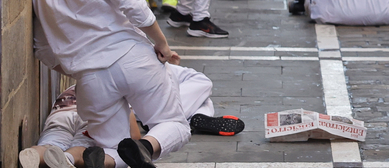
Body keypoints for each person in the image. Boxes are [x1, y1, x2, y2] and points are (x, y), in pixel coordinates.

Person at [34, 0, 191, 168]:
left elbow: (42, 48)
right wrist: (161, 43)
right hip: (131, 57)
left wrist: (77, 68)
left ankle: (101, 161)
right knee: (175, 124)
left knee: (110, 147)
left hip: (90, 78)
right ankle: (143, 147)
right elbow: (133, 4)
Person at [19, 63, 244, 168]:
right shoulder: (140, 78)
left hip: (65, 106)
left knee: (53, 139)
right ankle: (69, 159)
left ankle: (34, 155)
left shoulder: (109, 67)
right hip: (92, 114)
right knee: (98, 148)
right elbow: (132, 137)